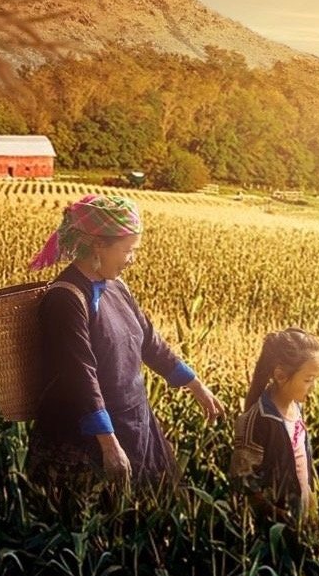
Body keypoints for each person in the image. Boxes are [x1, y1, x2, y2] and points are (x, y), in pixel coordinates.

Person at [26, 195, 225, 495]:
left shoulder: (116, 287)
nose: (132, 259)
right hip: (87, 441)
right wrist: (108, 444)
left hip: (134, 425)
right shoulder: (66, 299)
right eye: (127, 250)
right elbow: (79, 376)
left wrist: (195, 384)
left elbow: (149, 342)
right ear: (98, 246)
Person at [231, 327, 319, 530]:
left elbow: (301, 467)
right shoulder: (257, 420)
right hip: (274, 530)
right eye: (308, 380)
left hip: (300, 520)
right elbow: (243, 482)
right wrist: (279, 516)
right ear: (281, 376)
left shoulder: (297, 409)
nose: (314, 387)